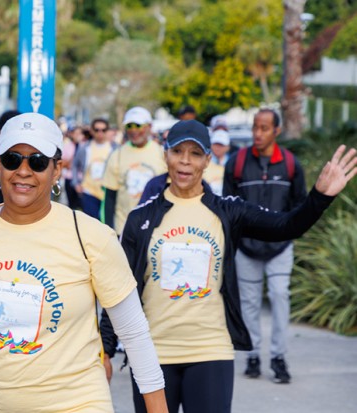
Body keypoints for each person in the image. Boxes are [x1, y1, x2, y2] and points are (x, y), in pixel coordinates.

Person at [0, 112, 168, 413]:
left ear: (56, 169)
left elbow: (134, 334)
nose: (23, 171)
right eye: (12, 159)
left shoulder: (90, 236)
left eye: (37, 161)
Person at [100, 119, 356, 413]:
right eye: (178, 151)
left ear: (208, 160)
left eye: (196, 154)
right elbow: (121, 289)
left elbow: (286, 226)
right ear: (165, 154)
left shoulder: (227, 211)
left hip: (210, 352)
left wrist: (320, 197)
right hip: (152, 354)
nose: (185, 161)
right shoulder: (140, 219)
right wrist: (105, 349)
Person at [222, 109, 307, 383]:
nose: (257, 133)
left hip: (280, 247)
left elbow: (300, 205)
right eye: (255, 127)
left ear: (276, 131)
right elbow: (227, 206)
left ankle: (279, 357)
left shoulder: (291, 164)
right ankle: (253, 356)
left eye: (264, 128)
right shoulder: (236, 163)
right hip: (247, 248)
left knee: (280, 296)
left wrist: (290, 231)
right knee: (249, 302)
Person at [101, 106, 166, 235]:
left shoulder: (162, 153)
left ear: (149, 126)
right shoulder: (117, 155)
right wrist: (108, 230)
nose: (133, 130)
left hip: (155, 229)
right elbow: (109, 198)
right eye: (129, 126)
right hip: (124, 229)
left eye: (138, 125)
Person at [73, 118, 118, 219]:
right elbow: (75, 165)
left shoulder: (115, 148)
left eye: (103, 130)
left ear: (107, 131)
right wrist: (76, 183)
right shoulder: (85, 148)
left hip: (107, 193)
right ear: (92, 131)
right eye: (97, 130)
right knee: (91, 224)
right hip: (89, 192)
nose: (100, 133)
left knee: (106, 224)